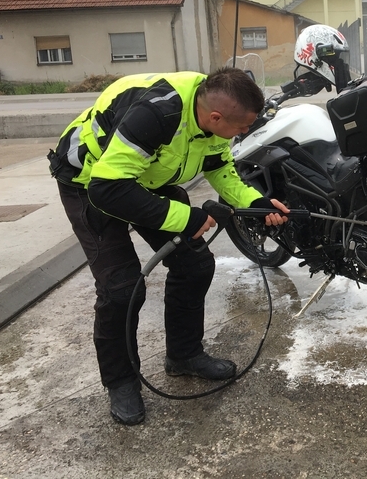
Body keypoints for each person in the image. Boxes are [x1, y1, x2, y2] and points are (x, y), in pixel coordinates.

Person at [48, 68, 289, 425]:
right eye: (241, 128)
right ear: (216, 117)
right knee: (121, 288)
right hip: (90, 182)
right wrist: (185, 218)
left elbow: (219, 168)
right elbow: (108, 189)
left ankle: (183, 355)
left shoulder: (212, 111)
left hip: (147, 176)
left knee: (195, 265)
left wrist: (256, 202)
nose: (244, 133)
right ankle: (121, 382)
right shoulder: (157, 114)